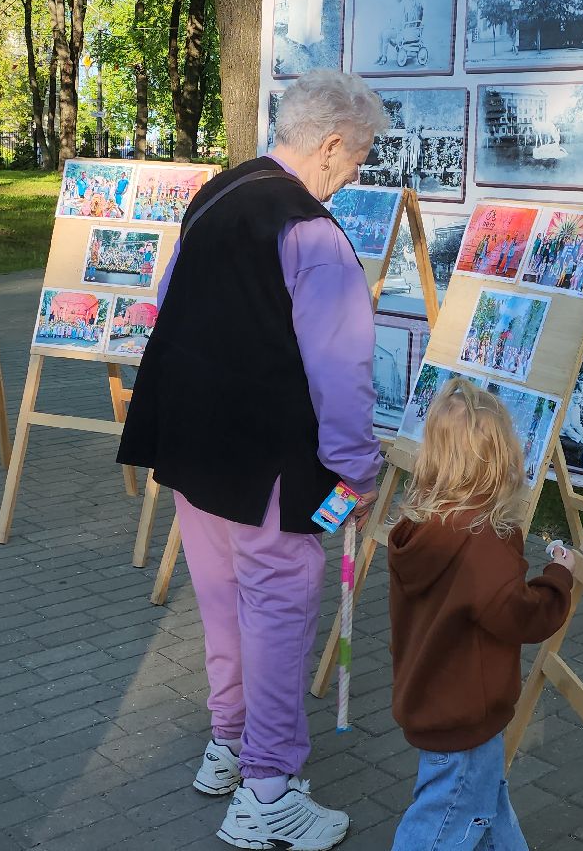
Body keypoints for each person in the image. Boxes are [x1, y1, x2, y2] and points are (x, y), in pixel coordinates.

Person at [117, 69, 388, 851]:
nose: (357, 172)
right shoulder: (314, 234)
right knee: (277, 609)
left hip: (191, 443)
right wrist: (357, 474)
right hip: (267, 458)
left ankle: (231, 742)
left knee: (223, 599)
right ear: (330, 144)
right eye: (359, 155)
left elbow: (170, 300)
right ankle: (268, 791)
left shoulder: (216, 195)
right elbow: (342, 372)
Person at [387, 378, 574, 850]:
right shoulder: (479, 547)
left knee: (484, 807)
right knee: (444, 823)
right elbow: (524, 616)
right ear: (501, 463)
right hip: (464, 720)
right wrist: (559, 576)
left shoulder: (420, 528)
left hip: (435, 701)